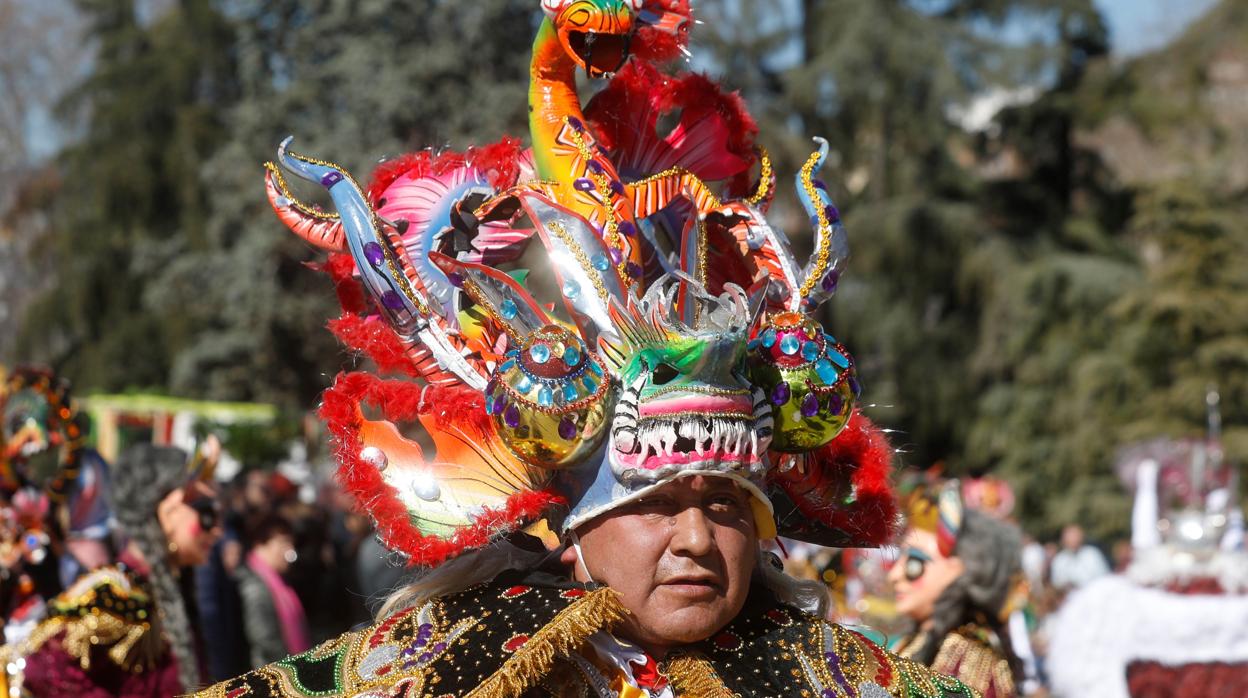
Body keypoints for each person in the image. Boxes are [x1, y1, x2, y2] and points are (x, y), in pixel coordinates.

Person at [199, 1, 977, 695]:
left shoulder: (828, 679)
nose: (698, 541)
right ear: (575, 525)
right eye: (656, 504)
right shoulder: (447, 673)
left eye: (727, 504)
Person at [16, 444, 222, 696]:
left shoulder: (163, 595)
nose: (217, 529)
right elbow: (41, 671)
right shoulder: (114, 594)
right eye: (207, 513)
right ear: (167, 511)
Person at [889, 482, 1024, 698]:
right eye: (899, 559)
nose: (894, 575)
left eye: (914, 563)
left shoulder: (968, 657)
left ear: (960, 568)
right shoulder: (915, 640)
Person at [236, 515, 312, 668]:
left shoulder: (277, 582)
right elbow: (264, 638)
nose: (290, 551)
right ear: (261, 543)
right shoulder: (253, 584)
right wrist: (292, 670)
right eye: (283, 543)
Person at [1048, 524, 1109, 591]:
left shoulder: (1092, 554)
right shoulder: (1059, 559)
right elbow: (1056, 583)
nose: (1073, 540)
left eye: (1075, 536)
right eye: (1069, 537)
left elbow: (1104, 578)